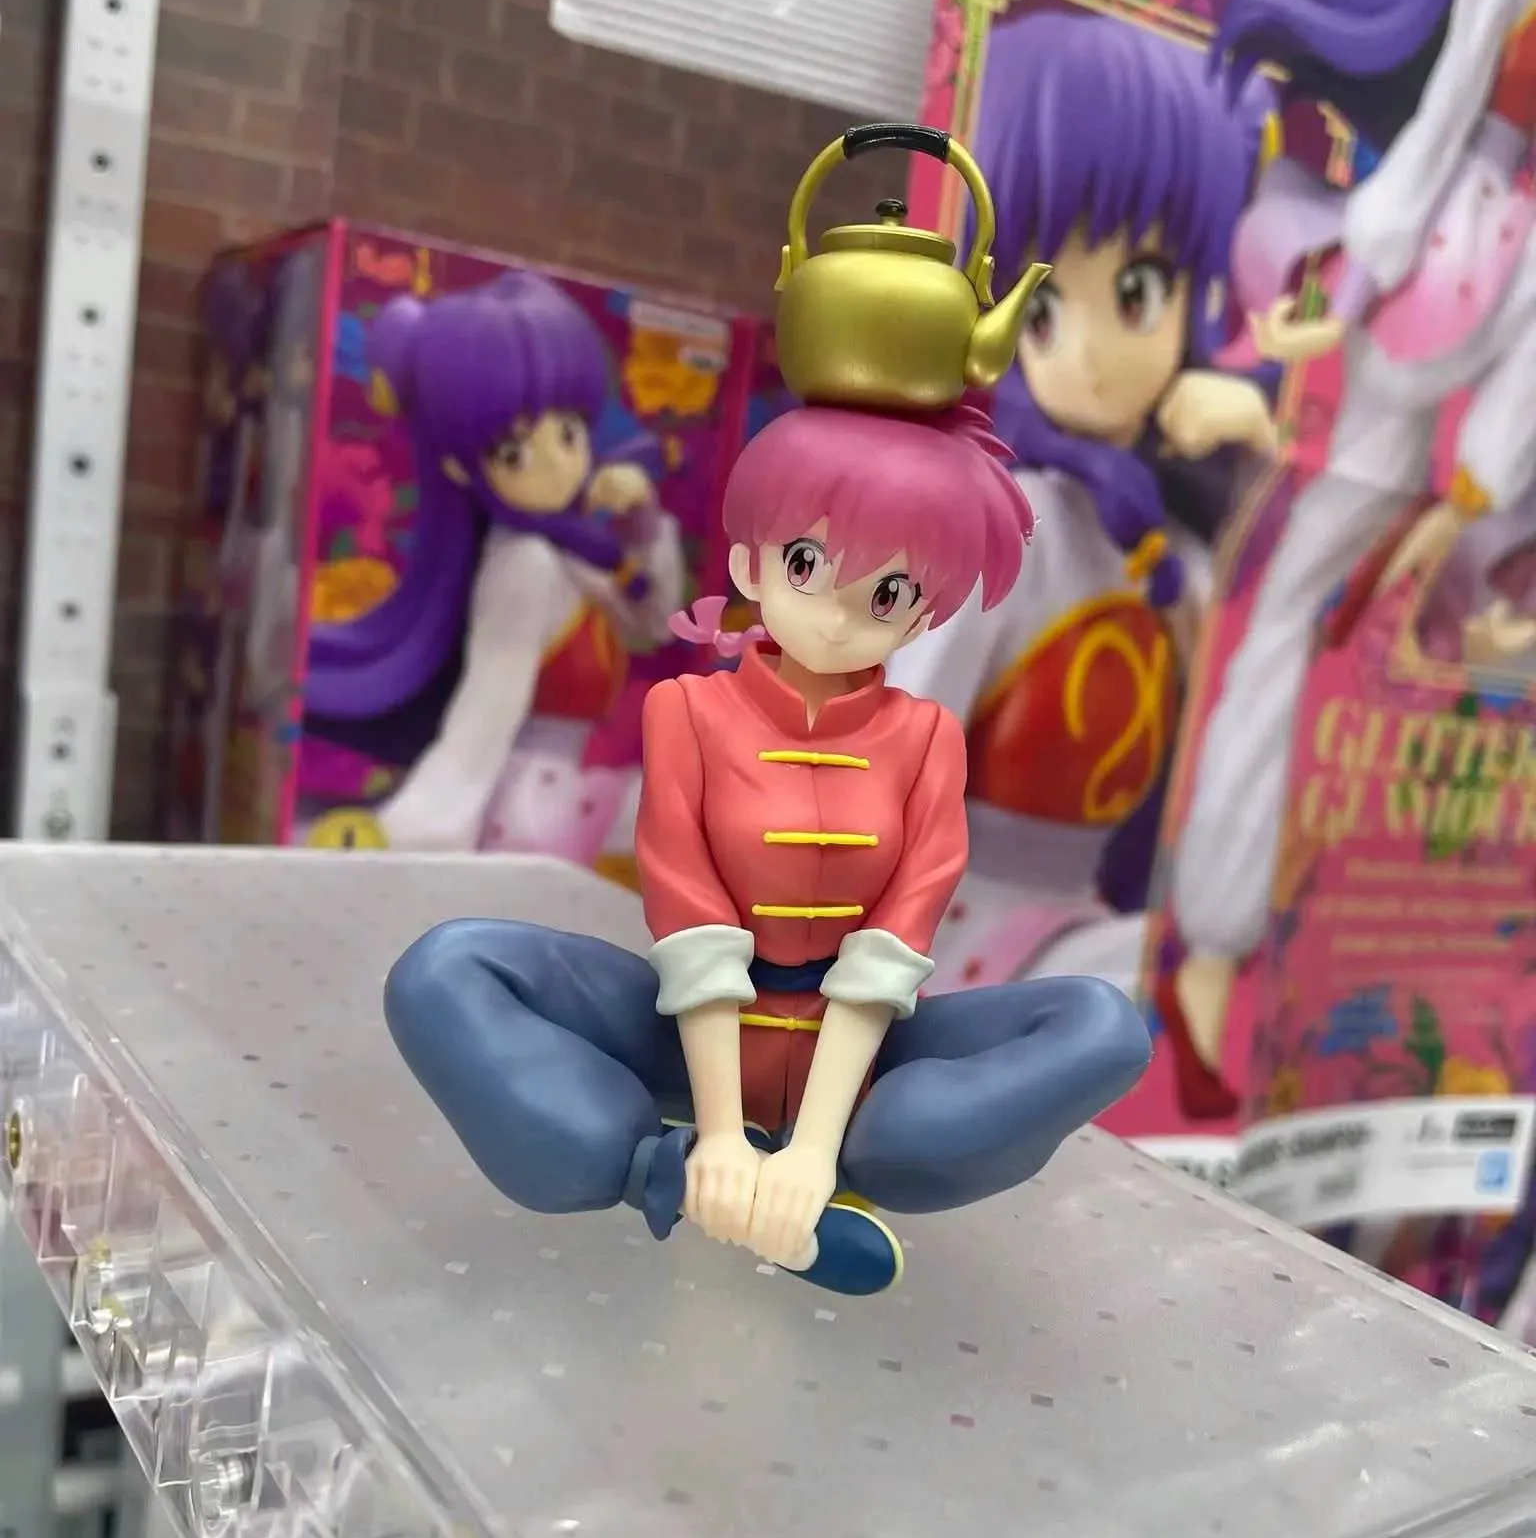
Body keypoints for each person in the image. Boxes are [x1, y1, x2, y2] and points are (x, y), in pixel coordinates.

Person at [384, 401, 1152, 1298]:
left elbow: (892, 946)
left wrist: (813, 1153)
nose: (837, 618)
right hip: (690, 1032)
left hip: (863, 1059)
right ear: (752, 562)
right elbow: (690, 918)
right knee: (446, 970)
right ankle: (664, 1177)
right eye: (807, 565)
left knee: (1103, 1026)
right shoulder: (687, 713)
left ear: (923, 615)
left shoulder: (929, 740)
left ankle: (852, 1176)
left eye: (888, 595)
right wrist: (717, 1139)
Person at [1161, 0, 1536, 1115]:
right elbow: (1426, 145)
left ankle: (1257, 963)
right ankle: (1218, 946)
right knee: (1294, 630)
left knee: (1355, 653)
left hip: (1470, 311)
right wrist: (1328, 307)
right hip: (1434, 306)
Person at [886, 11, 1277, 995]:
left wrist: (1268, 464)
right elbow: (900, 745)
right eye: (1042, 309)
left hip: (1077, 923)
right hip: (949, 939)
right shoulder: (994, 521)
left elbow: (1259, 718)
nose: (1093, 356)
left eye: (1139, 292)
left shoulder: (1170, 540)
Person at [306, 271, 684, 857]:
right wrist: (411, 844)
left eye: (568, 431)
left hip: (566, 796)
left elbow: (653, 623)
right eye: (514, 452)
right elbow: (484, 721)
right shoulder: (526, 564)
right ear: (459, 467)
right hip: (530, 807)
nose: (557, 464)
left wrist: (643, 522)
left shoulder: (572, 550)